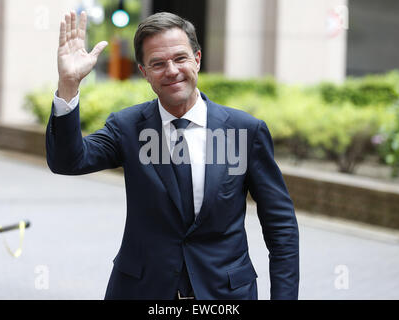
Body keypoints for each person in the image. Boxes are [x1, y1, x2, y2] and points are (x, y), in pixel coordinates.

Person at [46, 11, 299, 300]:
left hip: (225, 294)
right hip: (142, 290)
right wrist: (69, 83)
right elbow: (68, 161)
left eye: (180, 58)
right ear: (144, 73)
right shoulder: (127, 128)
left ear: (197, 59)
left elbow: (282, 228)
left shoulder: (245, 131)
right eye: (158, 63)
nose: (172, 70)